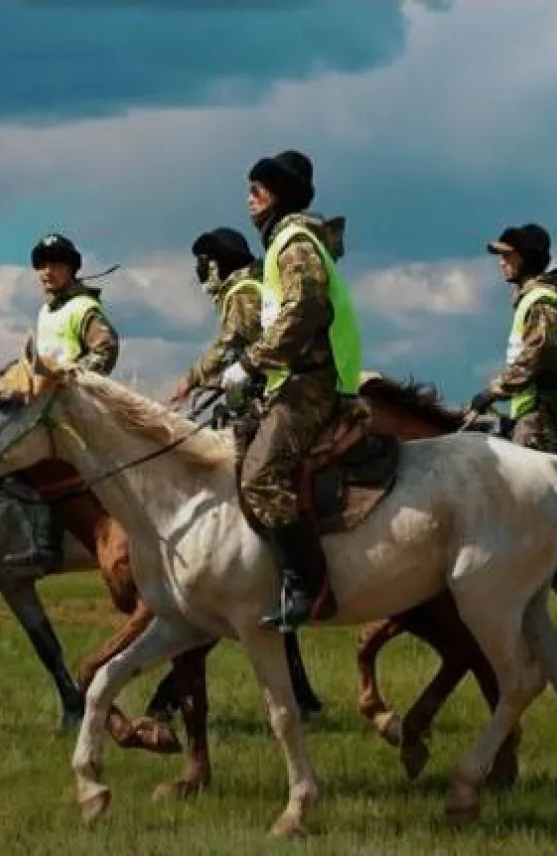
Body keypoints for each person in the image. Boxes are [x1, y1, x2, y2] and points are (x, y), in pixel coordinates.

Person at [222, 149, 363, 631]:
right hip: (291, 377)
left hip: (312, 383)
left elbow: (304, 312)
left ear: (278, 195)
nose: (249, 199)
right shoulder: (284, 243)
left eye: (256, 191)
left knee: (260, 475)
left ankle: (308, 586)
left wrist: (249, 362)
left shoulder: (294, 243)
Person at [3, 232, 121, 572]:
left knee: (38, 462)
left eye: (55, 264)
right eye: (41, 265)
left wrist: (70, 379)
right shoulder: (45, 312)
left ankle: (47, 544)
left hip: (73, 407)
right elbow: (40, 358)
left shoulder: (83, 308)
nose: (46, 272)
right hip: (46, 407)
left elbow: (106, 349)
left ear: (70, 269)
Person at [468, 223, 557, 452]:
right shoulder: (531, 299)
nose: (502, 262)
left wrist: (494, 390)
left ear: (527, 259)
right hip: (528, 407)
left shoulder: (541, 301)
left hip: (540, 414)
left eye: (508, 256)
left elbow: (536, 356)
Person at [169, 227, 263, 408]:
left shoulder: (244, 293)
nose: (199, 269)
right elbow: (238, 355)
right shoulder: (240, 292)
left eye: (203, 261)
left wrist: (191, 378)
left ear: (218, 264)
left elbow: (227, 345)